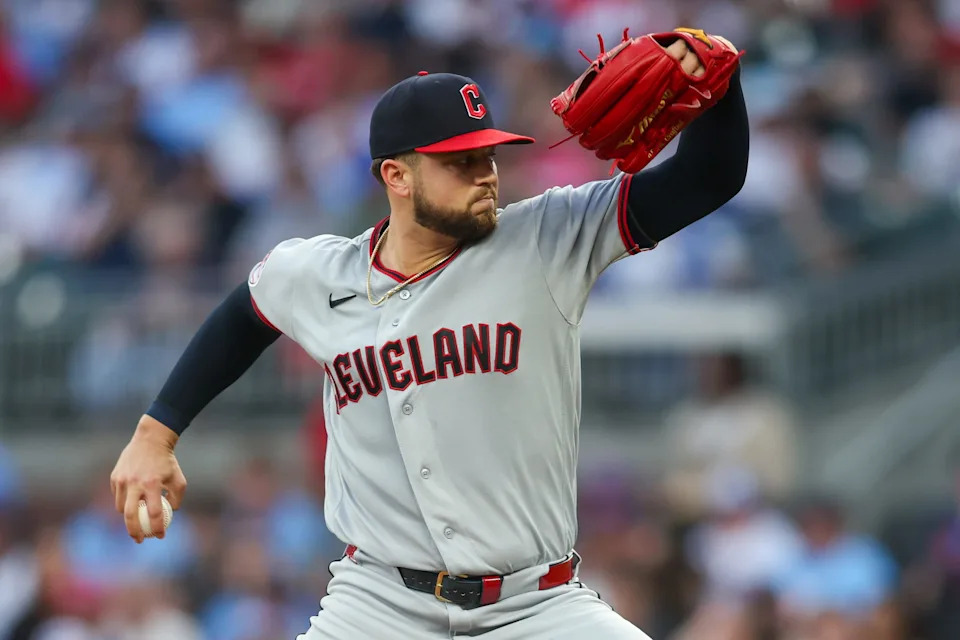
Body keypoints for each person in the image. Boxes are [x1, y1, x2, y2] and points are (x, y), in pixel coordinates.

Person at [110, 34, 749, 638]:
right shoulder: (317, 273)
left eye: (488, 155)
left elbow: (707, 180)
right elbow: (244, 314)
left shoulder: (547, 238)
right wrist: (155, 433)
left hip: (535, 605)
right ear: (397, 176)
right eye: (460, 162)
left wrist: (722, 85)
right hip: (377, 602)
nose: (486, 175)